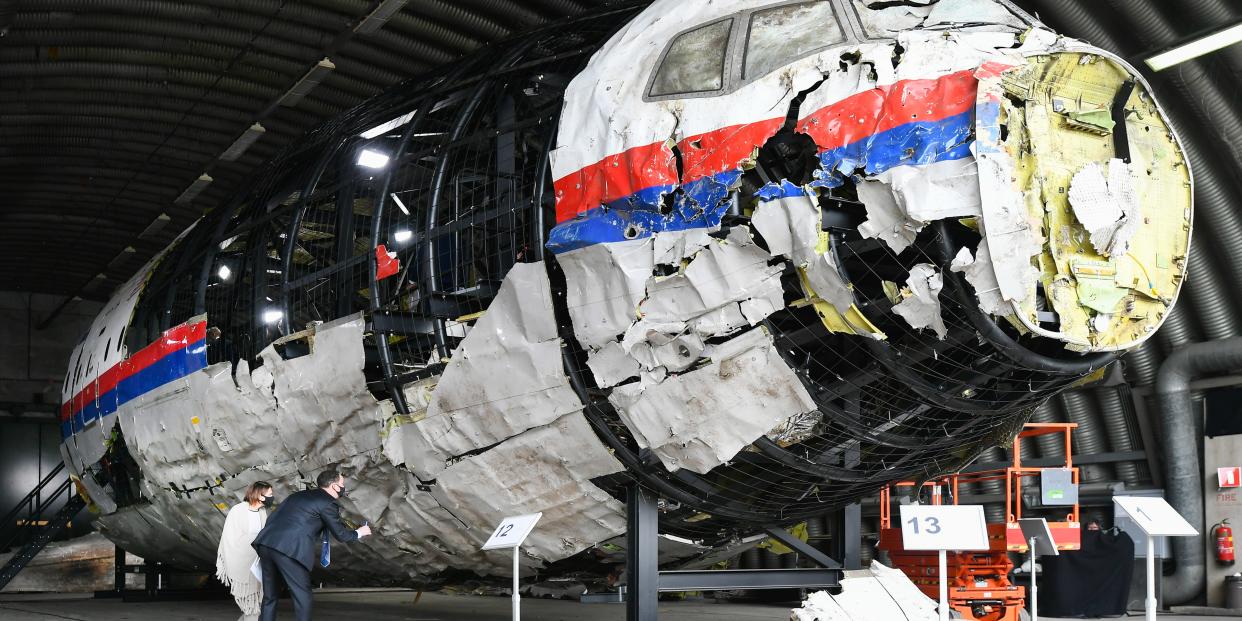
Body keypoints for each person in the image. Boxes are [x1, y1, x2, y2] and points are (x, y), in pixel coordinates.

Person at [252, 469, 371, 621]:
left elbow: (274, 517)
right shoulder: (328, 503)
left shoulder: (298, 495)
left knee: (270, 596)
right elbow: (341, 535)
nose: (343, 487)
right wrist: (359, 532)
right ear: (334, 486)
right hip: (288, 550)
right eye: (342, 484)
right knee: (303, 596)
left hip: (265, 543)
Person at [216, 481, 275, 621]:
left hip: (259, 564)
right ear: (260, 496)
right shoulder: (238, 510)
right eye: (270, 494)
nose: (272, 497)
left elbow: (263, 535)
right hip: (243, 563)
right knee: (251, 606)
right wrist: (258, 539)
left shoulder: (262, 511)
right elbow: (230, 539)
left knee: (257, 606)